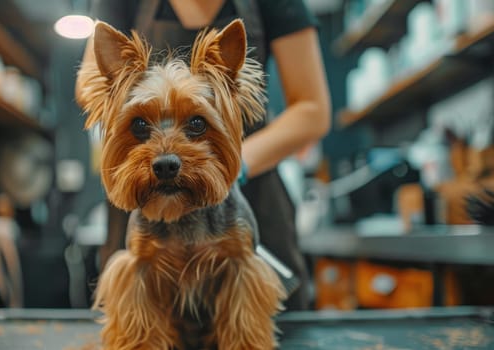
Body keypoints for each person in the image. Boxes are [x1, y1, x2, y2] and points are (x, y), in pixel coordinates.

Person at [75, 0, 331, 311]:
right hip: (144, 220)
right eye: (142, 126)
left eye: (196, 125)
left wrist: (233, 164)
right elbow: (90, 85)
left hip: (252, 197)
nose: (167, 154)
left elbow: (313, 110)